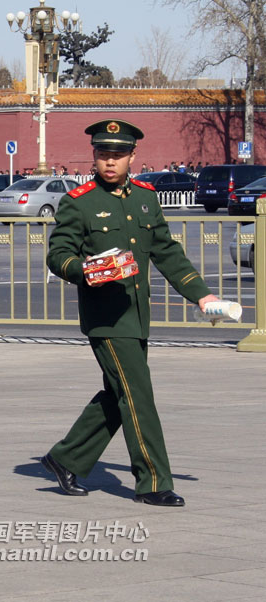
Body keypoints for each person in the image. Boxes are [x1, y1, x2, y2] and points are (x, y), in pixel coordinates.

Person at [42, 119, 221, 507]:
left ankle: (65, 458)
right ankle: (154, 483)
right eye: (103, 155)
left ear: (132, 157)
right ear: (94, 156)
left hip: (137, 315)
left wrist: (201, 295)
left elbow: (167, 252)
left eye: (118, 155)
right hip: (106, 317)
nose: (110, 162)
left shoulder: (145, 197)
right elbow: (58, 255)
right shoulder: (80, 201)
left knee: (119, 393)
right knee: (138, 396)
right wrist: (83, 269)